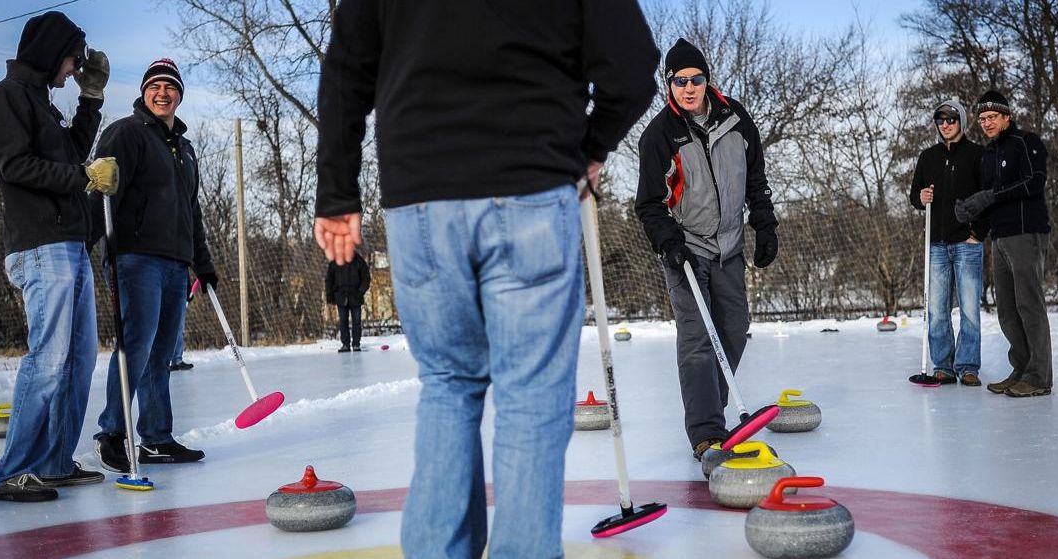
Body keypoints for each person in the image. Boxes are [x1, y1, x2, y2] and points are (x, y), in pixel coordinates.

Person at [313, 1, 658, 555]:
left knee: (449, 386)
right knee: (530, 399)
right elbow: (633, 64)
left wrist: (336, 192)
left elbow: (348, 67)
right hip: (531, 186)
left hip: (421, 199)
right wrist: (589, 148)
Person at [0, 11, 113, 501]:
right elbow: (15, 166)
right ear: (53, 50)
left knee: (78, 359)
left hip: (71, 243)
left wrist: (91, 100)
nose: (75, 67)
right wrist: (80, 177)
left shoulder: (44, 104)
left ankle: (54, 462)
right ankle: (12, 470)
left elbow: (73, 151)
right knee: (51, 358)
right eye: (74, 58)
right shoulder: (5, 99)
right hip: (39, 245)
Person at [634, 38, 777, 463]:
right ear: (670, 85)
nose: (689, 88)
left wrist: (765, 223)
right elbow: (648, 204)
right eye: (680, 81)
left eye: (696, 79)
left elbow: (756, 178)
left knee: (733, 328)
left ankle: (712, 407)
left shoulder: (736, 119)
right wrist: (669, 243)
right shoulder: (659, 136)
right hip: (687, 249)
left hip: (729, 247)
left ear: (707, 80)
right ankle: (706, 432)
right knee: (698, 339)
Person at [90, 58, 218, 472]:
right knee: (137, 345)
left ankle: (157, 438)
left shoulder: (185, 149)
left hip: (175, 264)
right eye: (155, 86)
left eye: (171, 87)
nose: (163, 93)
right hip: (136, 258)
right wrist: (84, 240)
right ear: (144, 92)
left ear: (180, 94)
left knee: (162, 353)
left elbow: (190, 212)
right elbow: (101, 190)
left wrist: (203, 264)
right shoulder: (126, 133)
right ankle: (112, 431)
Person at [955, 90, 1052, 397]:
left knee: (1029, 304)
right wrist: (971, 216)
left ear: (1007, 116)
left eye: (992, 117)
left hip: (1026, 232)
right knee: (1007, 311)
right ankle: (1022, 368)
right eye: (982, 118)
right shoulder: (988, 155)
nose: (987, 123)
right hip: (999, 237)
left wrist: (991, 196)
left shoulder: (1027, 141)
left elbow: (1035, 182)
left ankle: (1039, 377)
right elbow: (989, 200)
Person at [908, 99, 987, 387]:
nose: (945, 125)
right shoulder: (927, 157)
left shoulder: (978, 155)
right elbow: (914, 194)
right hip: (937, 244)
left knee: (969, 309)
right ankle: (944, 365)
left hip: (967, 243)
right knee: (937, 310)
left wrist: (977, 232)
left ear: (962, 122)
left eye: (951, 120)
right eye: (940, 121)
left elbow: (989, 197)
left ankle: (967, 366)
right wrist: (920, 198)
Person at [326, 251, 370, 352]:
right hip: (341, 297)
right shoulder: (335, 260)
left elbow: (366, 277)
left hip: (356, 297)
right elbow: (329, 279)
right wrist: (330, 296)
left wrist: (360, 291)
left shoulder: (358, 260)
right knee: (343, 321)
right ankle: (345, 344)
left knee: (357, 322)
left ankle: (356, 344)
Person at [170, 276, 198, 371]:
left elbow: (185, 275)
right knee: (168, 329)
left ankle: (177, 360)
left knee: (179, 329)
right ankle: (167, 360)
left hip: (181, 294)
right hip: (167, 292)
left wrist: (189, 292)